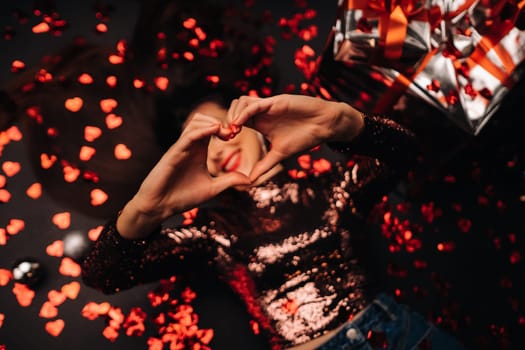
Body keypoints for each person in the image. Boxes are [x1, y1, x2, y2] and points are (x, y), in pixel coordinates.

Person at [80, 92, 467, 350]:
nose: (218, 152)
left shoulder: (332, 189)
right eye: (203, 149)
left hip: (402, 335)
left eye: (222, 132)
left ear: (255, 124)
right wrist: (146, 211)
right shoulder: (212, 235)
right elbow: (104, 276)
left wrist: (344, 121)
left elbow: (407, 154)